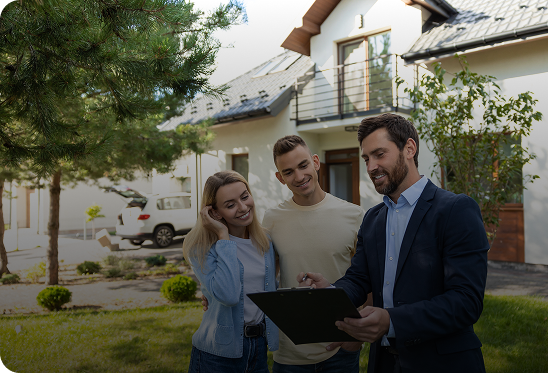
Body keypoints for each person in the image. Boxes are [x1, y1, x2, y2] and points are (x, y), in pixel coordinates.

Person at [298, 113, 488, 373]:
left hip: (443, 363)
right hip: (384, 362)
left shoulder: (455, 210)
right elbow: (358, 279)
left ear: (409, 149)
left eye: (379, 154)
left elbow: (466, 301)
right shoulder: (373, 218)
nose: (371, 166)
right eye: (366, 158)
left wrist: (391, 321)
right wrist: (331, 293)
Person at [264, 135, 366, 373]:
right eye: (288, 172)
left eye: (303, 165)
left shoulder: (354, 215)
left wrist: (355, 335)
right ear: (280, 178)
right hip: (290, 352)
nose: (299, 177)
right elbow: (262, 276)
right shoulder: (271, 220)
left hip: (341, 348)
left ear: (316, 162)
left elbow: (368, 280)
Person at [183, 170, 279, 373]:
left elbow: (268, 291)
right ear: (215, 213)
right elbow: (228, 295)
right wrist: (222, 235)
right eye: (230, 205)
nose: (243, 207)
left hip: (259, 349)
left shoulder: (265, 242)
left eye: (245, 197)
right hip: (217, 355)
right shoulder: (200, 247)